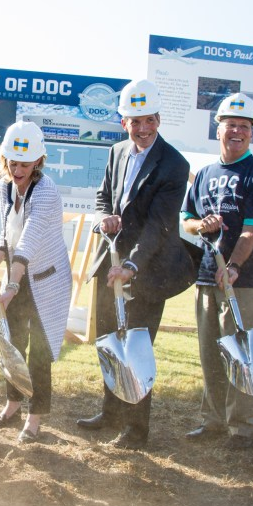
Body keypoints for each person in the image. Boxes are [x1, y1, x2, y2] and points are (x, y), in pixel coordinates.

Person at [76, 80, 197, 449]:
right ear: (123, 121)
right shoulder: (116, 152)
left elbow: (160, 225)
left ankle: (135, 429)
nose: (142, 129)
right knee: (109, 341)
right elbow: (103, 196)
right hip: (109, 262)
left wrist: (131, 265)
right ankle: (111, 412)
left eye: (148, 120)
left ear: (158, 118)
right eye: (134, 121)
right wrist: (104, 218)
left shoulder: (175, 164)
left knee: (137, 347)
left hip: (148, 269)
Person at [181, 92, 253, 451]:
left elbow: (252, 231)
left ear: (252, 133)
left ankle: (243, 428)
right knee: (211, 352)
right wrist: (200, 226)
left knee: (243, 352)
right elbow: (187, 221)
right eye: (230, 125)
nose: (237, 131)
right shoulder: (205, 174)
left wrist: (235, 266)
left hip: (246, 281)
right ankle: (212, 420)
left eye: (244, 126)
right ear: (218, 129)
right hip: (208, 276)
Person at [0, 121, 72, 444]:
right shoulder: (5, 185)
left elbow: (30, 242)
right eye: (12, 162)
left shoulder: (46, 191)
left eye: (24, 163)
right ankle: (12, 405)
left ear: (38, 161)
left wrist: (11, 287)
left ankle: (35, 420)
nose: (17, 169)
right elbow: (9, 231)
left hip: (48, 280)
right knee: (8, 340)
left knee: (39, 353)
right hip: (18, 277)